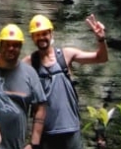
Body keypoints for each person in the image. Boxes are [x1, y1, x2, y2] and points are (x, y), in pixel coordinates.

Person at [24, 14, 108, 149]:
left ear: (51, 33)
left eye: (44, 33)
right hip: (45, 133)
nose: (41, 37)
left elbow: (101, 58)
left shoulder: (65, 55)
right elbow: (10, 70)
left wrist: (101, 39)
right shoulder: (30, 62)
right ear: (32, 37)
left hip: (70, 130)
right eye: (37, 34)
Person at [0, 24, 47, 149]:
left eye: (16, 45)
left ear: (21, 47)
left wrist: (34, 144)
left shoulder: (29, 73)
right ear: (0, 44)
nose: (11, 48)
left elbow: (40, 107)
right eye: (7, 44)